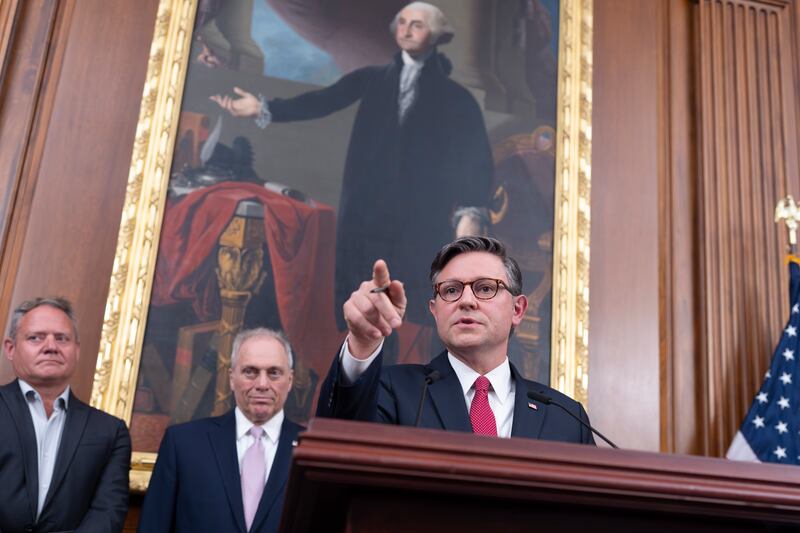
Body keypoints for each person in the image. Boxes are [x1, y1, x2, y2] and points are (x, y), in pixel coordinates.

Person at [211, 2, 494, 329]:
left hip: (420, 222)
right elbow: (322, 101)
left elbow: (475, 160)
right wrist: (262, 108)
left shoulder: (457, 99)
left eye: (417, 24)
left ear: (437, 35)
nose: (406, 29)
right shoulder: (372, 79)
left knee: (414, 314)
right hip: (367, 218)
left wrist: (471, 213)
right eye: (401, 22)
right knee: (362, 310)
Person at [316, 237, 596, 444]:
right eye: (451, 290)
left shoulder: (566, 418)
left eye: (485, 288)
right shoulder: (393, 391)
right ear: (435, 311)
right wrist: (362, 343)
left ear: (517, 310)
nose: (466, 301)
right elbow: (338, 445)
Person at [138, 328, 302, 533]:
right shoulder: (183, 443)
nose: (262, 384)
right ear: (232, 378)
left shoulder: (312, 450)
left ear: (290, 380)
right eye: (250, 371)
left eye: (274, 373)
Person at [0, 297, 131, 533]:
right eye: (35, 337)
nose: (51, 346)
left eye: (62, 338)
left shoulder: (111, 431)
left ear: (77, 350)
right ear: (11, 349)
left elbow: (107, 514)